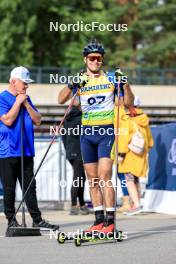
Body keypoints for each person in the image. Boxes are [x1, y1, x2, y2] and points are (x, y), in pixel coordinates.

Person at [58, 39, 134, 234]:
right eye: (92, 58)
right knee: (92, 180)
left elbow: (128, 104)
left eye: (99, 58)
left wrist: (125, 85)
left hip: (105, 132)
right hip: (87, 134)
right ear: (85, 60)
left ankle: (110, 221)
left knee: (104, 177)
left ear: (102, 60)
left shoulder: (110, 78)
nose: (95, 61)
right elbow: (60, 100)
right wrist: (71, 84)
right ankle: (98, 220)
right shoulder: (81, 80)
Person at [0, 66, 60, 233]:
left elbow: (38, 120)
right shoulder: (2, 99)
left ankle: (37, 220)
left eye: (27, 84)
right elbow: (8, 120)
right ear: (13, 81)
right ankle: (11, 221)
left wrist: (25, 103)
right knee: (10, 187)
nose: (26, 86)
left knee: (29, 187)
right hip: (8, 151)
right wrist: (18, 103)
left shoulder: (27, 99)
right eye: (24, 83)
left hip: (26, 150)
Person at [112, 96, 154, 215]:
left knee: (129, 180)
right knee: (136, 180)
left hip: (129, 155)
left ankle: (135, 205)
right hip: (141, 155)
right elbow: (150, 142)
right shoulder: (144, 119)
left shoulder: (127, 119)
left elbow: (125, 138)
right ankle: (138, 203)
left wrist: (120, 154)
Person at [62, 105, 89, 215]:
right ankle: (74, 206)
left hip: (71, 152)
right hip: (79, 152)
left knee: (81, 179)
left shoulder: (66, 120)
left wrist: (68, 150)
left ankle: (82, 205)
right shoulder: (81, 120)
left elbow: (64, 138)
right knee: (78, 179)